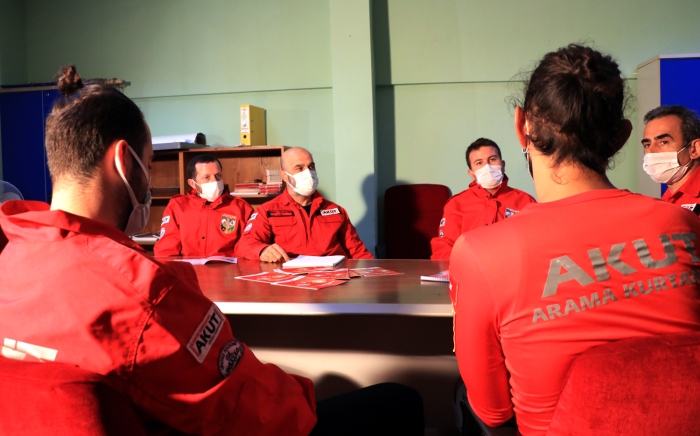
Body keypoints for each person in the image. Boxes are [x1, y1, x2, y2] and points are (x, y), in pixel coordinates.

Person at [0, 66, 423, 435]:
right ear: (125, 162)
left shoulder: (11, 257)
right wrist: (306, 389)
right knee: (399, 401)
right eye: (149, 166)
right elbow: (257, 412)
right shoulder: (143, 291)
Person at [451, 45, 700, 436]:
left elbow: (493, 411)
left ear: (521, 126)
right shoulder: (685, 226)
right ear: (621, 136)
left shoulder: (479, 252)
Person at [235, 147, 373, 262]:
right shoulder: (266, 211)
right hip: (290, 280)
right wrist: (262, 250)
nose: (308, 173)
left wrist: (375, 275)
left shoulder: (336, 210)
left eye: (311, 167)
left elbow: (358, 252)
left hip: (334, 278)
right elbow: (244, 245)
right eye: (299, 168)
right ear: (284, 176)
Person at [430, 137, 536, 260]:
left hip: (513, 268)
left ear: (503, 165)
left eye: (492, 159)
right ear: (472, 174)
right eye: (479, 163)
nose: (487, 167)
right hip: (467, 268)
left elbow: (535, 244)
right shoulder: (456, 204)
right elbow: (444, 248)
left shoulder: (526, 201)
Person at [154, 154, 253, 257]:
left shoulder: (241, 207)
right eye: (207, 177)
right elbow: (166, 251)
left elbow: (249, 246)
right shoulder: (178, 206)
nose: (215, 181)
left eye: (218, 175)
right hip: (189, 267)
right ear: (192, 184)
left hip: (228, 266)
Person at [642, 105, 700, 212]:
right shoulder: (666, 200)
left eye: (663, 142)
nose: (650, 151)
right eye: (647, 145)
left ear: (695, 149)